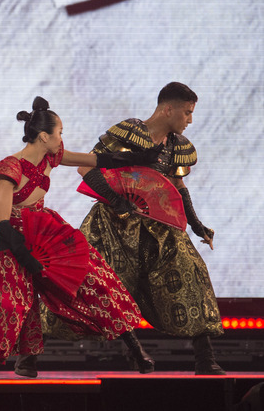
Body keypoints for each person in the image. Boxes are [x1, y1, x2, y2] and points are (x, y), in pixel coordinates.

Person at [0, 96, 158, 379]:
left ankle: (136, 350)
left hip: (43, 231)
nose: (62, 138)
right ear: (44, 136)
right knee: (1, 301)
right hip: (8, 242)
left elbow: (95, 160)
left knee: (93, 278)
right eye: (60, 132)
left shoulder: (52, 157)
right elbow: (2, 223)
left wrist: (139, 159)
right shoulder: (10, 169)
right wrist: (27, 258)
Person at [75, 82, 225, 375]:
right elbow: (86, 168)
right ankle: (32, 355)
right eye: (187, 112)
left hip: (159, 226)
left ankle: (205, 357)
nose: (190, 120)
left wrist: (196, 224)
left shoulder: (177, 145)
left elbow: (177, 186)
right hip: (112, 223)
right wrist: (115, 200)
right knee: (86, 281)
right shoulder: (129, 132)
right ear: (168, 109)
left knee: (191, 273)